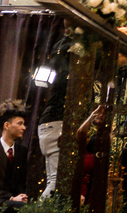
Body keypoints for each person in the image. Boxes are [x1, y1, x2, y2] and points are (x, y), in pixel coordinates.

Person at [37, 28, 72, 195]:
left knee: (54, 180)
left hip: (50, 123)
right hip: (55, 122)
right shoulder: (65, 51)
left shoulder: (59, 49)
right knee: (55, 181)